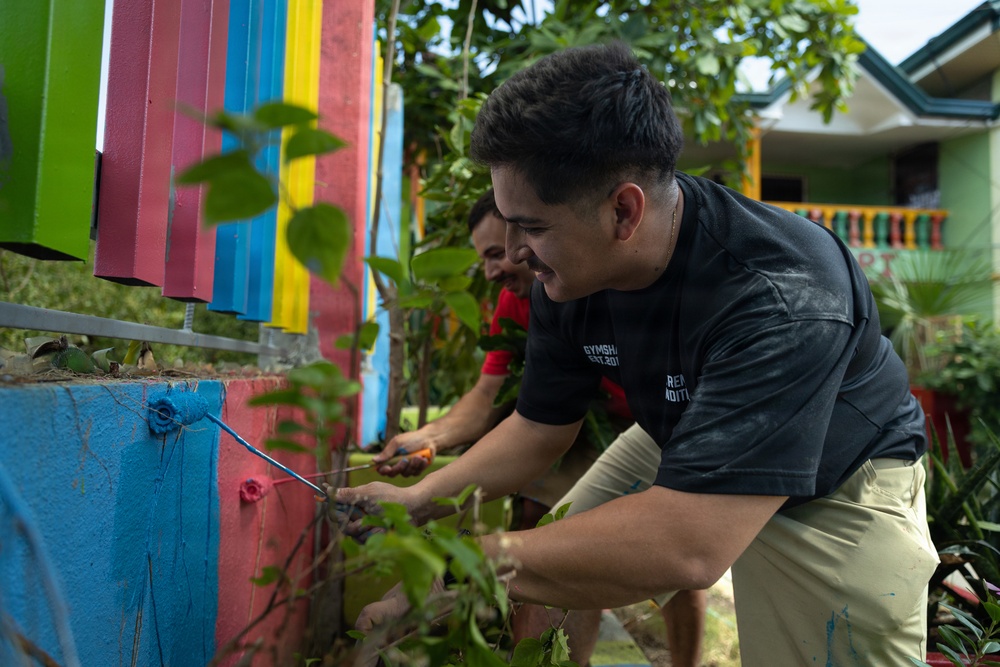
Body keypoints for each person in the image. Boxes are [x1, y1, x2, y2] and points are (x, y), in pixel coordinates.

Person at [339, 41, 937, 665]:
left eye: (532, 227)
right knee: (556, 555)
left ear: (624, 210)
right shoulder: (567, 276)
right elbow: (538, 430)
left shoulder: (782, 293)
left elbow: (688, 546)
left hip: (838, 485)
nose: (513, 252)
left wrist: (456, 567)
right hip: (682, 425)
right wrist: (418, 499)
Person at [371, 188, 706, 666]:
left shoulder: (623, 279)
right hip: (582, 428)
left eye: (503, 248)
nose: (499, 264)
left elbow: (696, 547)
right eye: (490, 253)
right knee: (557, 532)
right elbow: (517, 415)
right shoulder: (529, 302)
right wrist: (430, 443)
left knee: (675, 568)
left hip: (657, 425)